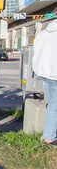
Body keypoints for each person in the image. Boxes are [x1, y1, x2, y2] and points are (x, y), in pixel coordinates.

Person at [33, 19, 57, 147]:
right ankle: (49, 136)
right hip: (54, 74)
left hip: (43, 71)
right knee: (54, 106)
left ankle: (49, 131)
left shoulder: (43, 33)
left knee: (51, 103)